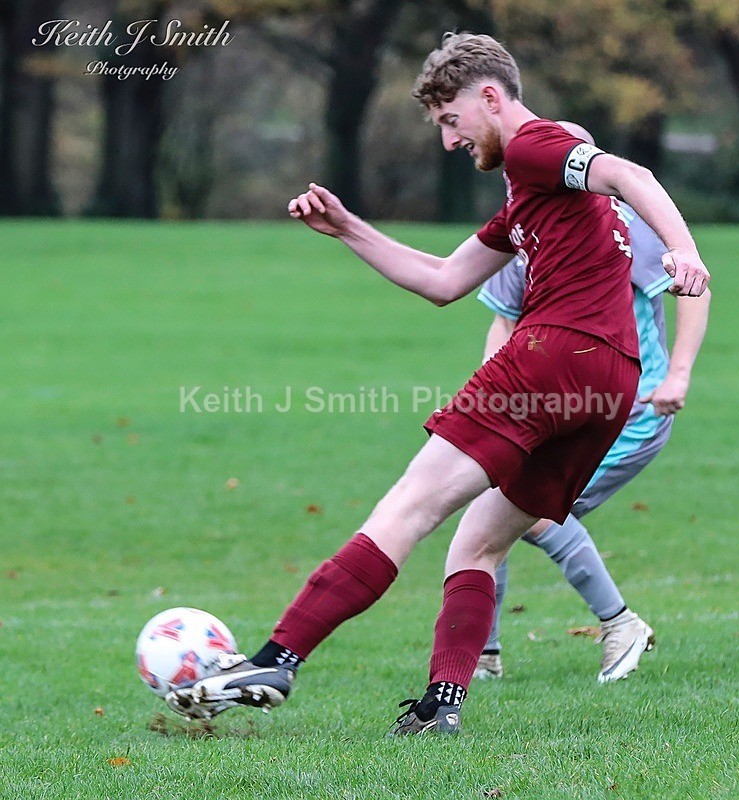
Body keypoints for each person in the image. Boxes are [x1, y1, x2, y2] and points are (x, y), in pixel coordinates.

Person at [165, 33, 709, 735]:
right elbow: (444, 281)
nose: (449, 140)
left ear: (489, 97)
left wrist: (685, 250)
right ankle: (439, 707)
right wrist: (348, 228)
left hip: (552, 355)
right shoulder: (528, 203)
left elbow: (629, 174)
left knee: (408, 508)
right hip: (609, 385)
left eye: (451, 120)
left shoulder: (532, 146)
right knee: (476, 544)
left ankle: (277, 657)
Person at [473, 128, 710, 682]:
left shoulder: (625, 228)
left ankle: (620, 623)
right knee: (492, 503)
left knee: (524, 512)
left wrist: (678, 374)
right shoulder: (527, 235)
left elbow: (697, 290)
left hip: (630, 407)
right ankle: (484, 655)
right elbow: (503, 323)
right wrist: (492, 399)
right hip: (555, 406)